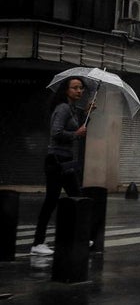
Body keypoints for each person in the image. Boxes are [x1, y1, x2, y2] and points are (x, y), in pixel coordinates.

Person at [31, 76, 90, 256]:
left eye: (81, 88)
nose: (79, 91)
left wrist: (88, 114)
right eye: (75, 88)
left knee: (77, 198)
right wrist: (75, 134)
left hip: (66, 162)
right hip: (56, 160)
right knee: (51, 201)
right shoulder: (63, 108)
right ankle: (37, 243)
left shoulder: (73, 109)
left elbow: (81, 129)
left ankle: (78, 236)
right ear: (66, 90)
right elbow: (56, 133)